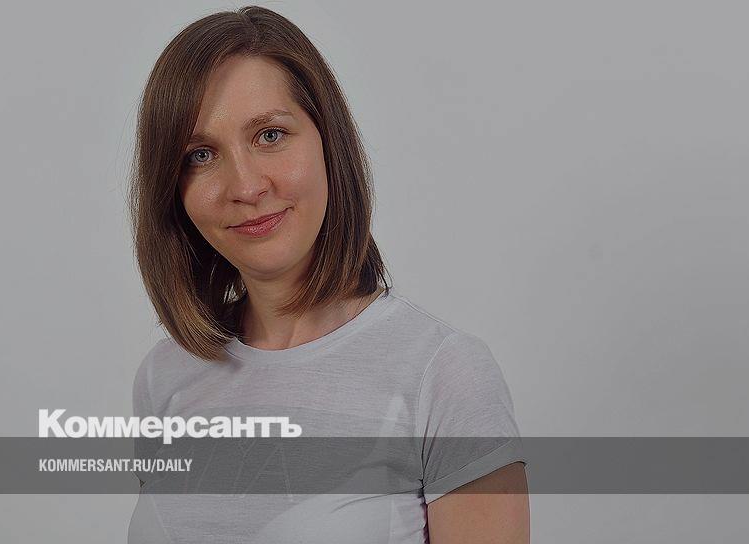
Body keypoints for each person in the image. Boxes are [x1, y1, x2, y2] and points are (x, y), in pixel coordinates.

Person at [126, 6, 529, 543]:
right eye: (200, 155)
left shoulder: (443, 374)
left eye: (270, 135)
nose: (245, 185)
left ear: (328, 142)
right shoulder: (165, 378)